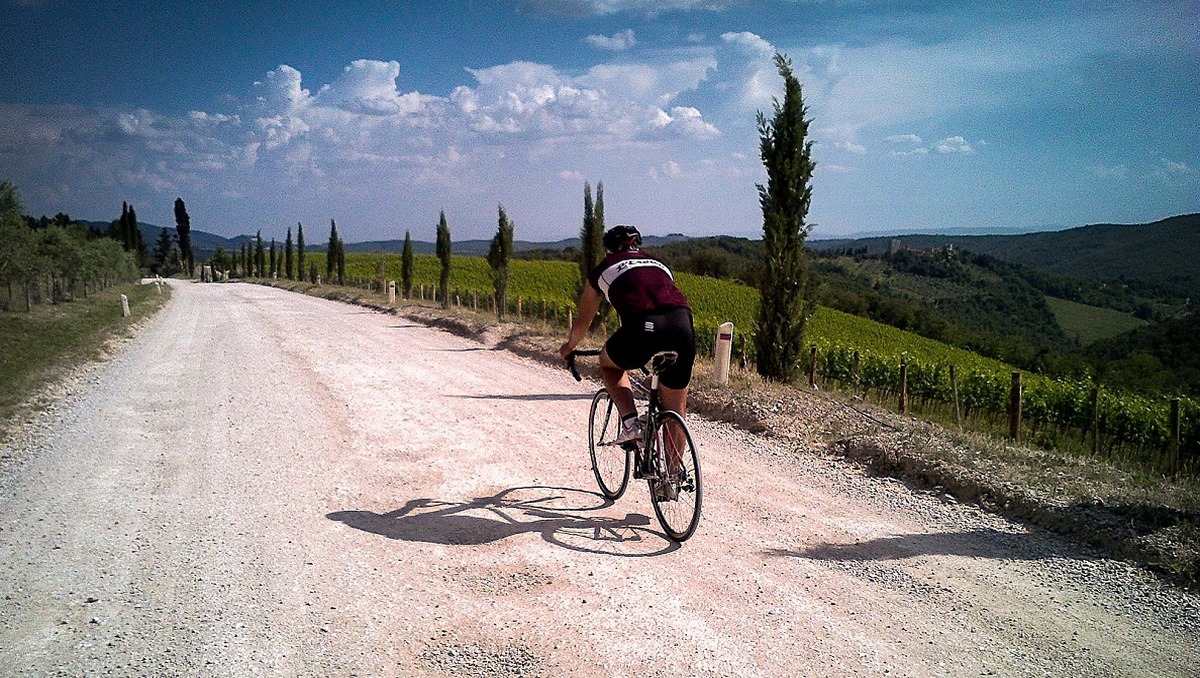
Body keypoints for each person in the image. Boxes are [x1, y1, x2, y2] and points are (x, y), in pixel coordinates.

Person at [559, 224, 695, 444]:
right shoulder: (659, 263)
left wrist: (569, 347)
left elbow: (584, 319)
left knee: (608, 362)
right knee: (675, 411)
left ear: (608, 249)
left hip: (643, 325)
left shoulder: (603, 269)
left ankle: (632, 423)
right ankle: (674, 476)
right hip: (682, 324)